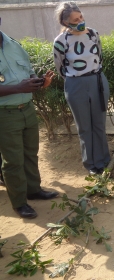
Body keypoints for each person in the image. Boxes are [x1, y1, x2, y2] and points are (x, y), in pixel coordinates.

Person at [0, 27, 58, 219]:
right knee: (13, 160)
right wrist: (17, 87)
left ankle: (33, 190)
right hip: (5, 114)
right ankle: (19, 203)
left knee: (30, 153)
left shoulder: (13, 45)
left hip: (27, 108)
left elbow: (29, 70)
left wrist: (38, 81)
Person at [53, 1, 110, 176]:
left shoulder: (93, 34)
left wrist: (93, 76)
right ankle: (91, 164)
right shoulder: (61, 41)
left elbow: (99, 57)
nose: (80, 21)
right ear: (66, 23)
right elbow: (60, 67)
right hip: (75, 85)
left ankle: (104, 160)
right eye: (75, 19)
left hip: (98, 81)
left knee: (99, 124)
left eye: (81, 17)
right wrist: (77, 79)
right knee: (84, 127)